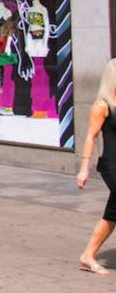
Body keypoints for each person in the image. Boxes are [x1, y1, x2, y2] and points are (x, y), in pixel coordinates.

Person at [77, 59, 116, 275]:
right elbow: (90, 137)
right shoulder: (102, 105)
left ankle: (88, 255)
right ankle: (88, 255)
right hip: (112, 164)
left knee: (112, 214)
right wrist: (84, 169)